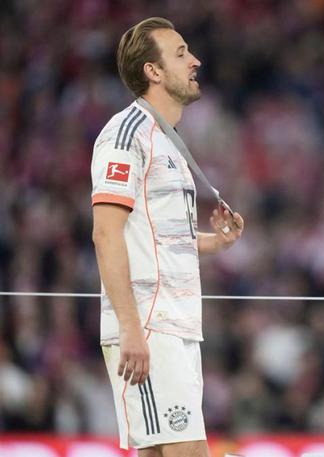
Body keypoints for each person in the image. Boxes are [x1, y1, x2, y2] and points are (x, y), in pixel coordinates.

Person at [90, 17, 244, 456]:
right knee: (189, 451)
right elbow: (106, 233)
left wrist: (214, 242)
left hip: (177, 325)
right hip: (149, 325)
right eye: (181, 53)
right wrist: (131, 328)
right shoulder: (125, 136)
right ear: (153, 71)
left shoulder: (166, 140)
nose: (195, 61)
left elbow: (156, 237)